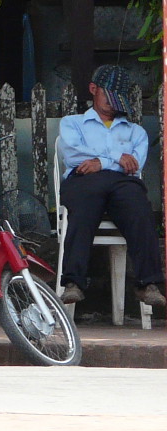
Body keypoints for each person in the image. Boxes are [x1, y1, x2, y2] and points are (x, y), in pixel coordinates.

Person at [58, 64, 167, 308]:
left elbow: (134, 167)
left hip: (123, 183)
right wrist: (117, 158)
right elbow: (74, 155)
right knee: (84, 209)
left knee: (140, 211)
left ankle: (148, 283)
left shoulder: (135, 131)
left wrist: (101, 162)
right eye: (107, 94)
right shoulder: (73, 123)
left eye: (117, 97)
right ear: (93, 89)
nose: (111, 102)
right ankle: (73, 282)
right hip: (83, 180)